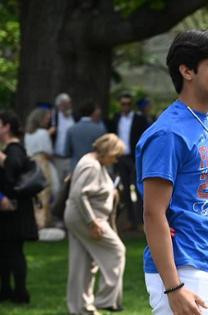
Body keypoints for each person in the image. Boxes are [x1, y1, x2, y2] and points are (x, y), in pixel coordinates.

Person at [136, 29, 208, 315]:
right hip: (183, 270)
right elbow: (153, 213)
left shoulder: (201, 122)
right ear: (187, 70)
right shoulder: (169, 133)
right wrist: (174, 287)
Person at [64, 133, 126, 314]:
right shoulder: (91, 165)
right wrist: (92, 223)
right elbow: (78, 194)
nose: (116, 160)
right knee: (117, 251)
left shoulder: (93, 162)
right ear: (108, 151)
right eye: (115, 155)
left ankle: (81, 309)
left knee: (81, 264)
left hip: (80, 217)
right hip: (87, 218)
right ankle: (105, 299)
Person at [0, 111, 38, 304]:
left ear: (6, 126)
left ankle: (20, 294)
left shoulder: (13, 151)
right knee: (6, 252)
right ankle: (6, 290)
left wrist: (3, 162)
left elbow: (10, 182)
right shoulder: (12, 150)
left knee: (13, 252)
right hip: (13, 211)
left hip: (13, 211)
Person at [109, 92, 149, 231]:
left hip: (134, 157)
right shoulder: (116, 118)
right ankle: (130, 221)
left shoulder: (139, 119)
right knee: (125, 190)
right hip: (120, 157)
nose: (125, 106)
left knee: (138, 189)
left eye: (127, 104)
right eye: (123, 104)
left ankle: (141, 221)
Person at [25, 107, 60, 229]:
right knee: (46, 192)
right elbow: (48, 152)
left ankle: (36, 220)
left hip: (31, 164)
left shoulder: (28, 134)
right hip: (43, 164)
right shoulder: (44, 134)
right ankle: (43, 221)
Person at [65, 101, 107, 171]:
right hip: (94, 168)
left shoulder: (71, 129)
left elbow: (67, 152)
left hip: (76, 168)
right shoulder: (100, 130)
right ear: (93, 112)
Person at [52, 93, 76, 183]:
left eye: (69, 104)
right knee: (58, 184)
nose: (68, 107)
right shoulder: (54, 117)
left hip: (71, 158)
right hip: (57, 157)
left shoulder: (74, 117)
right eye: (65, 104)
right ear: (59, 106)